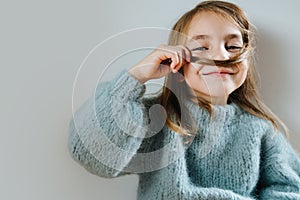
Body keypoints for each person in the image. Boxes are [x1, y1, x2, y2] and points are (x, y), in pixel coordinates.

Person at [68, 1, 300, 199]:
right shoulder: (157, 120)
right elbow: (90, 155)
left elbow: (291, 190)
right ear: (177, 59)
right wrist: (138, 76)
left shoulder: (262, 131)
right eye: (201, 47)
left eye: (233, 46)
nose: (221, 56)